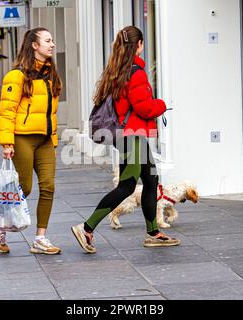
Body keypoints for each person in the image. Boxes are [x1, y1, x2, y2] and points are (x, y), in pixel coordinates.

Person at [71, 26, 180, 254]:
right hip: (132, 138)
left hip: (130, 137)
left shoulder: (118, 71)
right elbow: (144, 107)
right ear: (138, 44)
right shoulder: (135, 73)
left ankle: (153, 233)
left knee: (151, 181)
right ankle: (86, 227)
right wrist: (160, 105)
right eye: (142, 42)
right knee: (127, 186)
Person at [0, 27, 62, 255]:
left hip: (45, 140)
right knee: (24, 187)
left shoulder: (51, 74)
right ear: (34, 45)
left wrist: (53, 138)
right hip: (23, 138)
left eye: (52, 40)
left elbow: (51, 112)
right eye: (47, 41)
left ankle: (40, 238)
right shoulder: (16, 76)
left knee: (48, 187)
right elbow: (7, 112)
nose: (52, 44)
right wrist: (7, 143)